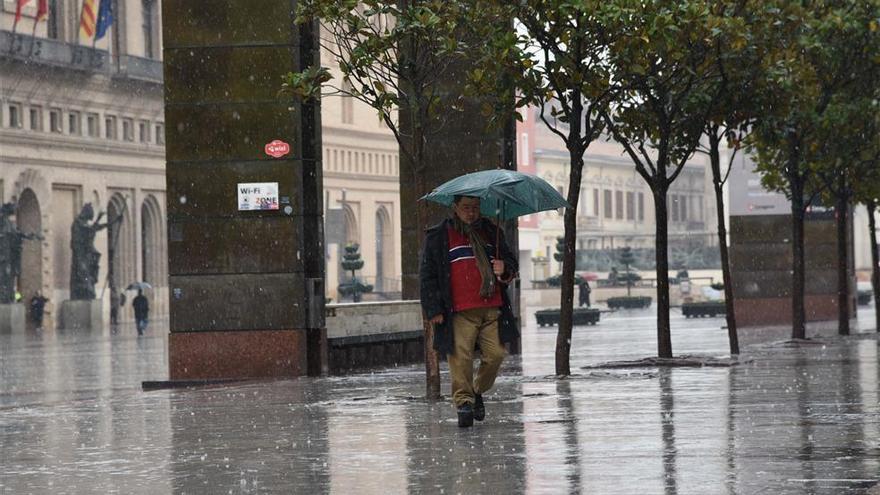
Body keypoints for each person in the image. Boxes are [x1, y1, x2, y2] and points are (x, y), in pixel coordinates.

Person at [420, 195, 518, 427]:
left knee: (495, 355)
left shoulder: (491, 233)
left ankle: (476, 390)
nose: (471, 212)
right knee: (460, 358)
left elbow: (511, 265)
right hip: (458, 310)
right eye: (466, 208)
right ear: (455, 208)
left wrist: (504, 268)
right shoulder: (439, 236)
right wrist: (433, 309)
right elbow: (428, 276)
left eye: (475, 207)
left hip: (492, 307)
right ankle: (463, 403)